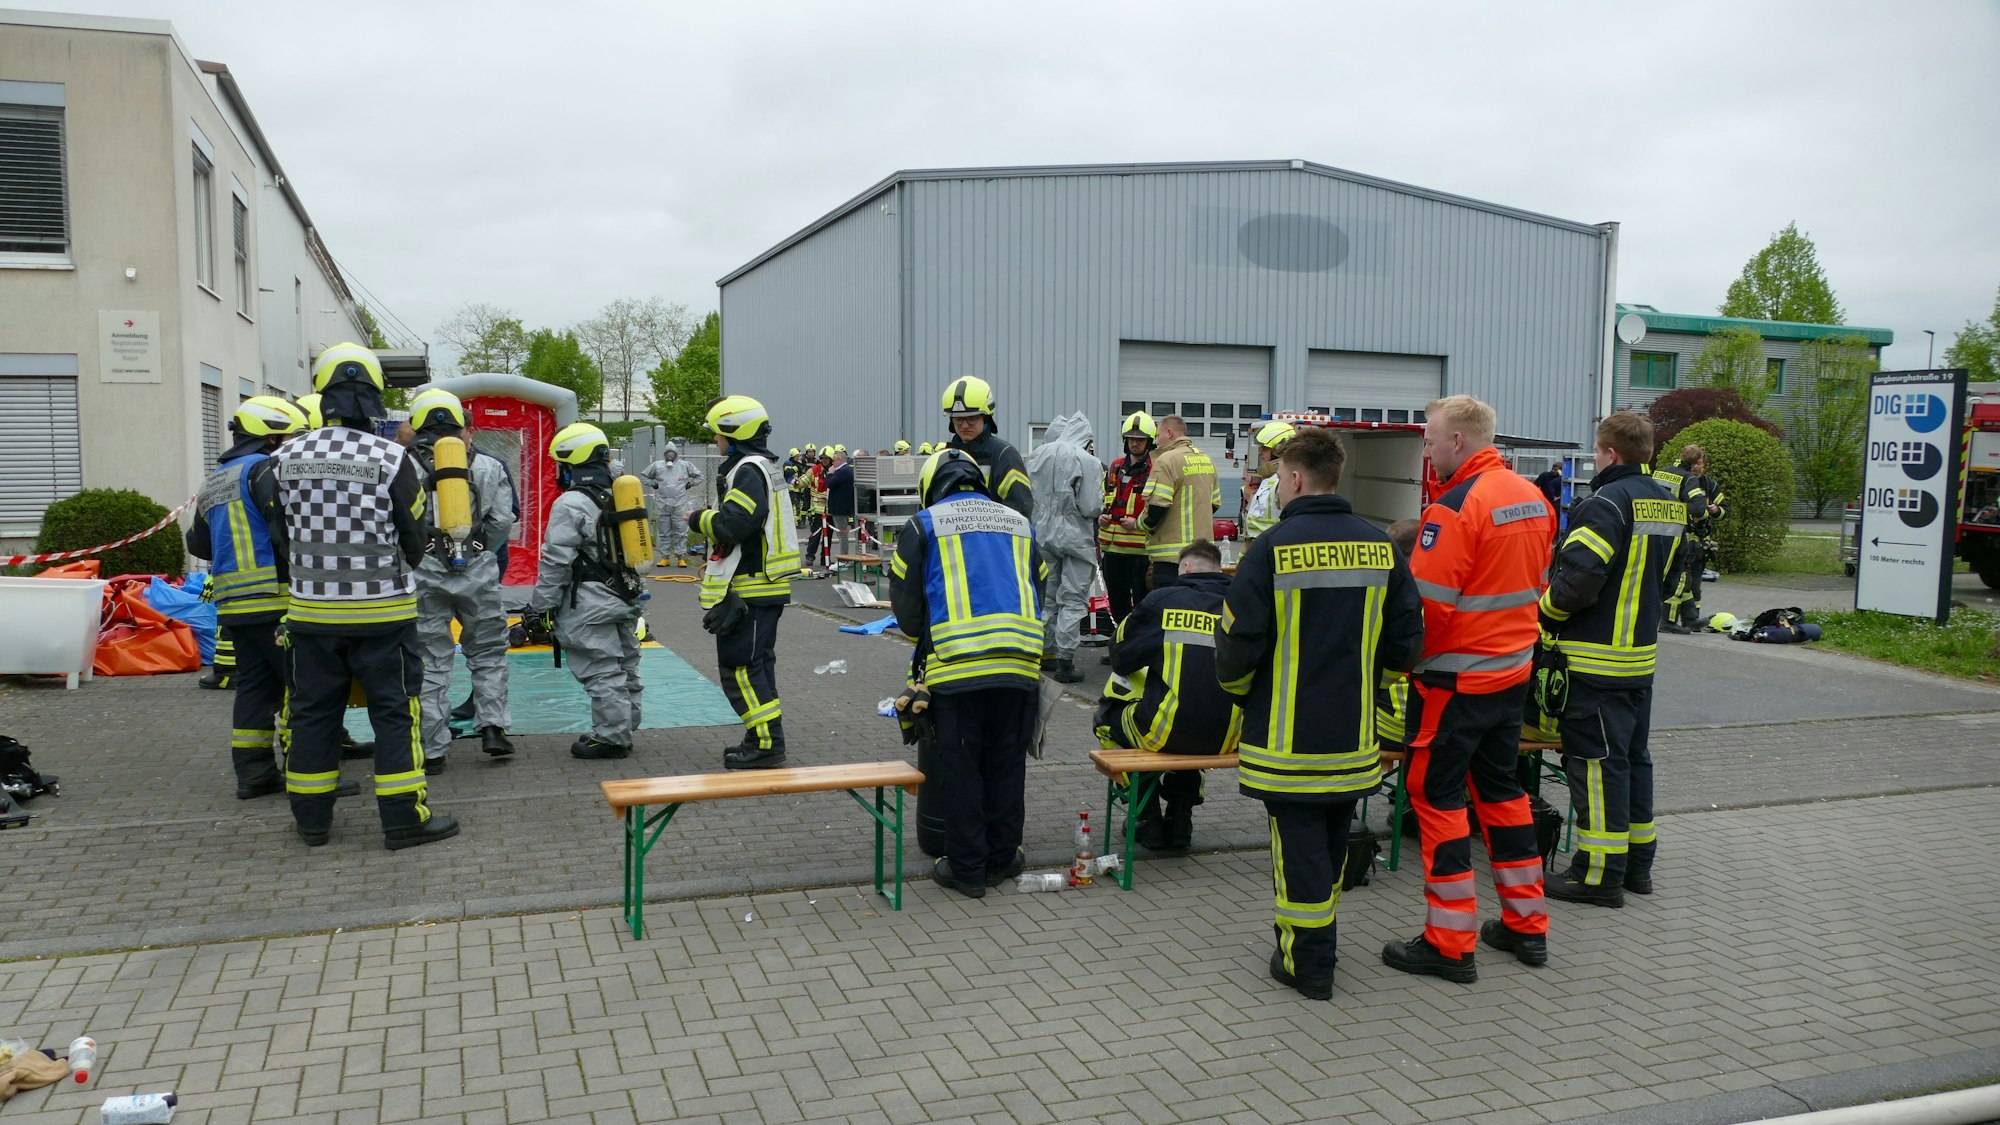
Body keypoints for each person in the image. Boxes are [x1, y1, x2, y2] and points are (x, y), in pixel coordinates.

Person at [1217, 427, 1424, 1000]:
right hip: (1354, 738)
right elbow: (1409, 640)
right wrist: (1370, 684)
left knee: (1299, 854)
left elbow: (1236, 648)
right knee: (1329, 846)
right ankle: (1315, 943)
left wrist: (1242, 695)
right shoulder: (1380, 546)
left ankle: (1307, 964)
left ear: (1297, 478)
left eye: (1279, 478)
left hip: (1287, 742)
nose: (1277, 488)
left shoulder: (1270, 550)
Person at [1383, 395, 1557, 983]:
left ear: (1458, 441)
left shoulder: (1455, 506)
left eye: (1429, 441)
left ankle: (1450, 942)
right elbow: (1535, 583)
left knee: (1436, 799)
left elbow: (1428, 612)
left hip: (1453, 683)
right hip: (1510, 676)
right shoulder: (1532, 497)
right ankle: (1526, 926)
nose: (1426, 451)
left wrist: (1398, 666)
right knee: (1502, 796)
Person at [273, 343, 456, 850]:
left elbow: (279, 538)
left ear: (322, 395)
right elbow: (416, 539)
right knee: (395, 714)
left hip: (310, 615)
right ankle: (403, 820)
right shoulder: (392, 458)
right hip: (384, 615)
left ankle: (311, 821)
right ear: (374, 397)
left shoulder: (282, 458)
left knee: (312, 713)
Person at [1540, 411, 1684, 906]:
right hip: (1639, 660)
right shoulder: (1669, 504)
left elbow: (1577, 580)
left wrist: (1545, 615)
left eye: (1597, 451)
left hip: (1595, 662)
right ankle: (1637, 865)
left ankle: (1598, 875)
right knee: (1632, 760)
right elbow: (1672, 583)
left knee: (1597, 765)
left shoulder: (1605, 504)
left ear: (1610, 453)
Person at [889, 448, 1045, 897]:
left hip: (957, 670)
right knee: (1006, 764)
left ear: (931, 485)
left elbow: (906, 606)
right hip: (1019, 665)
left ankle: (967, 870)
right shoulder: (1018, 522)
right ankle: (1002, 858)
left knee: (961, 768)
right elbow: (1041, 583)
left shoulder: (925, 524)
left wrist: (928, 634)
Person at [188, 396, 357, 803]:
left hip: (233, 604)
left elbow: (199, 543)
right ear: (271, 435)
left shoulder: (215, 478)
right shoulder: (266, 469)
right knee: (304, 688)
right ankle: (309, 776)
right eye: (288, 436)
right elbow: (286, 529)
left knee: (255, 690)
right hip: (276, 598)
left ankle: (255, 775)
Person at [1096, 540, 1240, 850]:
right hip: (1229, 736)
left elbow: (1121, 656)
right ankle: (1181, 818)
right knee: (1197, 716)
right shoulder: (1244, 604)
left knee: (1107, 718)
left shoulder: (1162, 600)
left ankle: (1146, 819)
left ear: (1185, 568)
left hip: (1168, 731)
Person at [403, 389, 516, 774]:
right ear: (459, 424)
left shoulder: (402, 465)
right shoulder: (489, 466)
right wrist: (479, 550)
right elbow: (503, 521)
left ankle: (433, 750)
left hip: (423, 572)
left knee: (430, 660)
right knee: (488, 653)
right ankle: (494, 728)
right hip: (479, 570)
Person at [689, 395, 801, 769]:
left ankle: (768, 744)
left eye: (718, 433)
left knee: (741, 668)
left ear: (733, 434)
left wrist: (700, 519)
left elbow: (734, 525)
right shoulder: (761, 466)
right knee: (757, 667)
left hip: (751, 588)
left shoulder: (748, 470)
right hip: (761, 587)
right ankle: (762, 736)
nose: (716, 441)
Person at [522, 423, 646, 759]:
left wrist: (539, 606)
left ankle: (611, 737)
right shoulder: (620, 496)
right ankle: (625, 722)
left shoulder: (571, 502)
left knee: (600, 667)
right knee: (625, 662)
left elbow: (556, 561)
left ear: (570, 462)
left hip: (589, 602)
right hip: (625, 595)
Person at [1027, 413, 1102, 684]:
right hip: (1074, 534)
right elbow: (1091, 505)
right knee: (1073, 597)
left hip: (1042, 531)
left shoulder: (1036, 455)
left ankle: (1044, 651)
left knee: (1046, 593)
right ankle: (1065, 661)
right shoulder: (1087, 460)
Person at [1097, 412, 1156, 663]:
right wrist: (1101, 516)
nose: (1135, 443)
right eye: (1131, 438)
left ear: (1149, 442)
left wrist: (1137, 523)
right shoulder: (1115, 467)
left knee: (1141, 604)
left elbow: (1157, 507)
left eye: (1140, 439)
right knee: (1117, 603)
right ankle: (1121, 648)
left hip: (1139, 551)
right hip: (1112, 550)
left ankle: (1139, 650)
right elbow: (1104, 498)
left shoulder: (1156, 469)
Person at [1140, 414, 1216, 590]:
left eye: (1158, 436)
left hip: (1171, 560)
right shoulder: (1207, 460)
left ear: (1169, 433)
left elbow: (1157, 507)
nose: (1156, 442)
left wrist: (1139, 524)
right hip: (1202, 556)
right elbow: (1214, 504)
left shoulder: (1166, 460)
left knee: (1168, 610)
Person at [941, 375, 1034, 518]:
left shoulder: (1004, 455)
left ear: (986, 417)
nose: (964, 425)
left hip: (991, 538)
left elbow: (1020, 508)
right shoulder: (945, 456)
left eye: (972, 418)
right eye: (958, 419)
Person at [1655, 446, 1720, 634]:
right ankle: (1667, 621)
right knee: (1681, 575)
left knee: (1686, 577)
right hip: (1675, 532)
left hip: (1654, 529)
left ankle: (1690, 618)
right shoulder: (1688, 478)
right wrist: (1703, 513)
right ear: (1694, 463)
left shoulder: (1661, 472)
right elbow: (1699, 509)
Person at [640, 444, 703, 568]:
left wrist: (690, 484)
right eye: (667, 453)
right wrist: (653, 484)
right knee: (664, 532)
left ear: (676, 455)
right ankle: (665, 558)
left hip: (679, 504)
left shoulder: (684, 465)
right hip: (662, 503)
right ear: (664, 455)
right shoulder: (657, 466)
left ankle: (681, 557)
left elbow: (699, 476)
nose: (670, 456)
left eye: (672, 453)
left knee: (681, 531)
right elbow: (643, 475)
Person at [1241, 421, 1296, 543]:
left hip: (1271, 548)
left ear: (1278, 450)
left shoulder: (1284, 481)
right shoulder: (1269, 479)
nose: (1260, 452)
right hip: (1259, 546)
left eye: (1264, 448)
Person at [824, 445, 856, 558]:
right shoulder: (845, 470)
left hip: (840, 508)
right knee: (841, 534)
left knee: (842, 534)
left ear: (839, 460)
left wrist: (830, 473)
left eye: (833, 460)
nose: (832, 463)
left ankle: (844, 558)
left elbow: (830, 484)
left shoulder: (843, 471)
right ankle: (845, 557)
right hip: (840, 507)